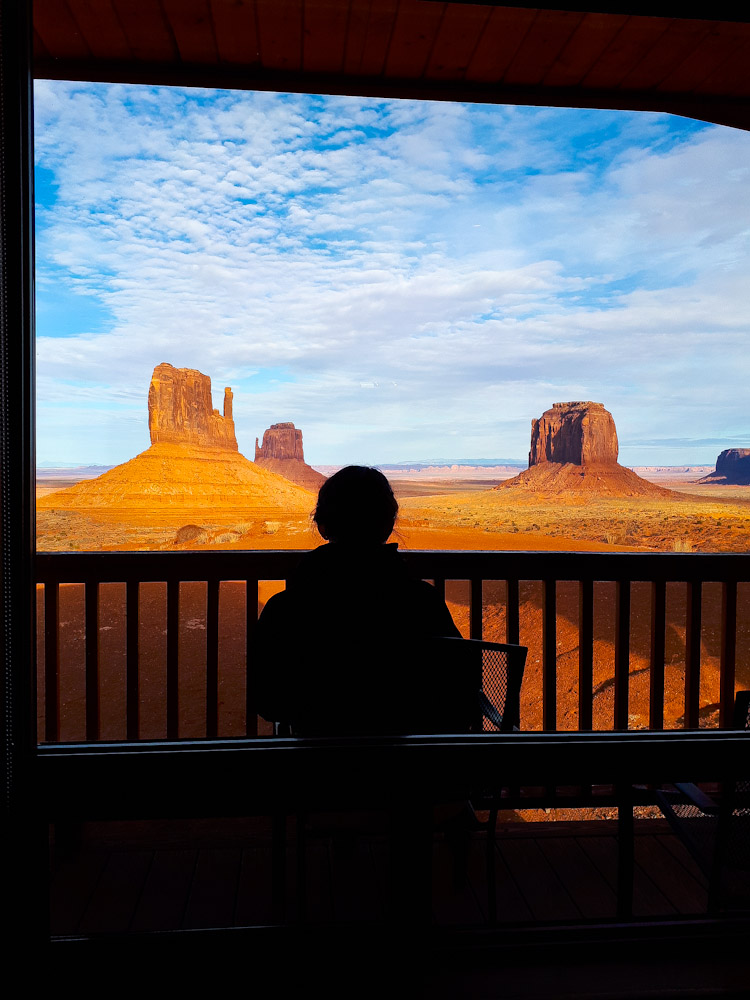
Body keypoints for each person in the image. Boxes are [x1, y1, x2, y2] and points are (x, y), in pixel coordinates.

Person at [253, 465, 461, 736]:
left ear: (323, 527)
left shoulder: (286, 609)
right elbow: (457, 692)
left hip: (316, 760)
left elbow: (268, 703)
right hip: (408, 765)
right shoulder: (422, 602)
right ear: (388, 525)